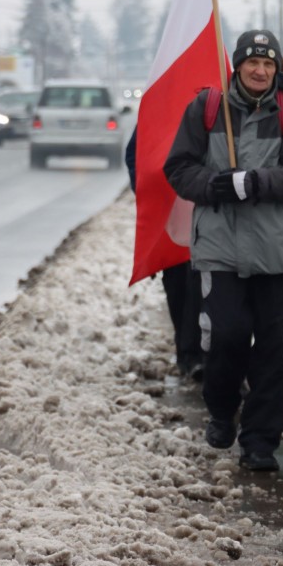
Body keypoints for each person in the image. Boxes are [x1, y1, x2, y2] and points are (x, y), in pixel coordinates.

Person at [164, 29, 283, 473]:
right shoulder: (207, 107)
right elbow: (178, 167)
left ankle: (260, 443)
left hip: (278, 250)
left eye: (269, 63)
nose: (261, 71)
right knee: (227, 336)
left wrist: (254, 182)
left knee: (273, 351)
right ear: (237, 66)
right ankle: (221, 408)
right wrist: (213, 185)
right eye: (253, 62)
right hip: (220, 248)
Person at [125, 128, 204, 380]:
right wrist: (148, 193)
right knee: (178, 284)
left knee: (203, 285)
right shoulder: (163, 112)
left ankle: (197, 354)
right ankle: (187, 353)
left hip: (207, 210)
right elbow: (136, 154)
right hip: (171, 213)